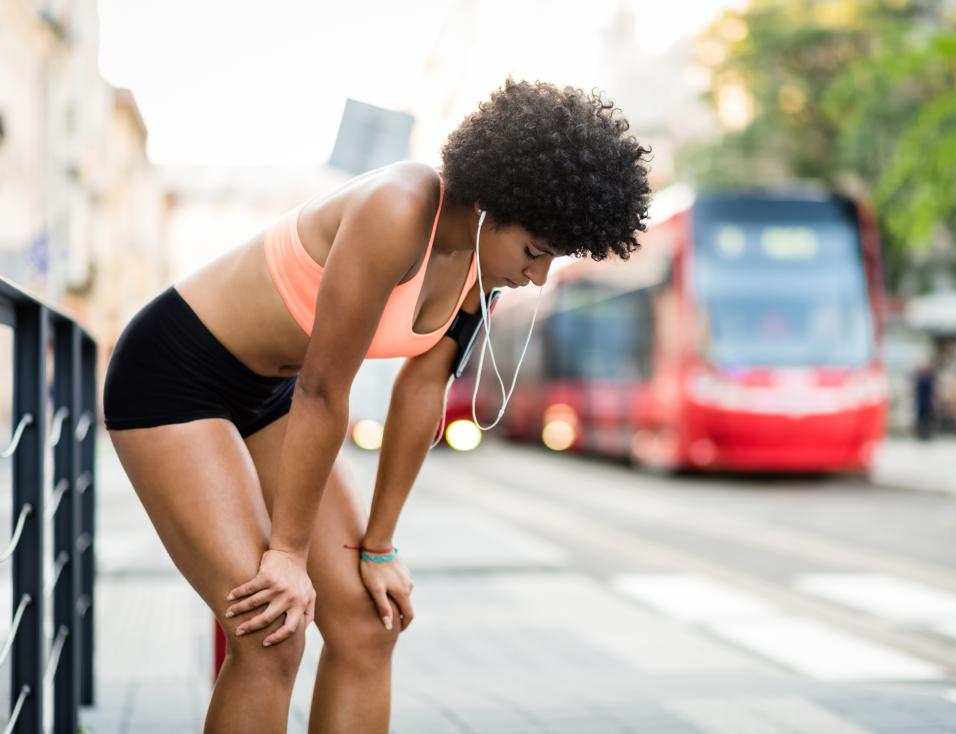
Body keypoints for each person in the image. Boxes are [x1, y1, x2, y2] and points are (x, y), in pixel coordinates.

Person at [102, 79, 651, 734]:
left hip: (273, 392)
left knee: (368, 623)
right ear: (491, 205)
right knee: (270, 633)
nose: (537, 277)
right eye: (534, 252)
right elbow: (324, 391)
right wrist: (286, 553)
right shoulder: (397, 208)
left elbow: (422, 389)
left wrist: (380, 546)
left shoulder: (483, 264)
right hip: (177, 374)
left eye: (552, 259)